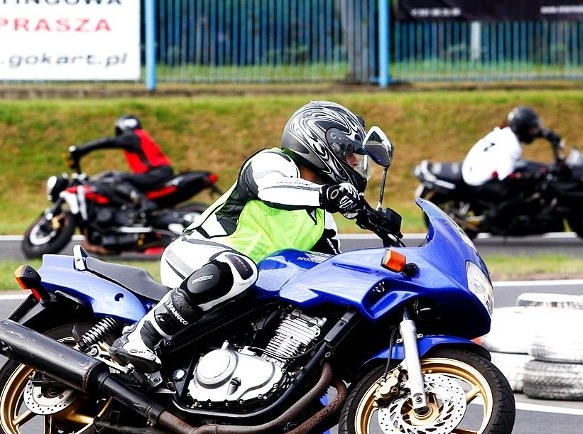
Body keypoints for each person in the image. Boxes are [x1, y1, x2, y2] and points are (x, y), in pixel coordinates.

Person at [110, 100, 398, 372]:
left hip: (251, 286)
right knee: (239, 268)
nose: (355, 164)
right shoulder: (273, 162)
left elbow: (328, 267)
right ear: (323, 144)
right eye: (350, 154)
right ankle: (138, 338)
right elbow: (273, 189)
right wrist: (328, 195)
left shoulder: (322, 217)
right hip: (202, 257)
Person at [461, 106, 561, 221]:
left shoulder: (507, 132)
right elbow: (506, 176)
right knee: (516, 196)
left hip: (475, 166)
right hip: (477, 178)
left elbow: (530, 134)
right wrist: (532, 176)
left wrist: (547, 135)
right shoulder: (512, 146)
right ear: (523, 129)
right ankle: (491, 219)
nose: (534, 132)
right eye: (531, 129)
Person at [67, 114, 175, 209]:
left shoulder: (132, 136)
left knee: (115, 178)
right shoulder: (139, 136)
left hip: (156, 173)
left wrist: (82, 149)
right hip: (158, 172)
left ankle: (144, 203)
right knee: (112, 176)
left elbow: (108, 141)